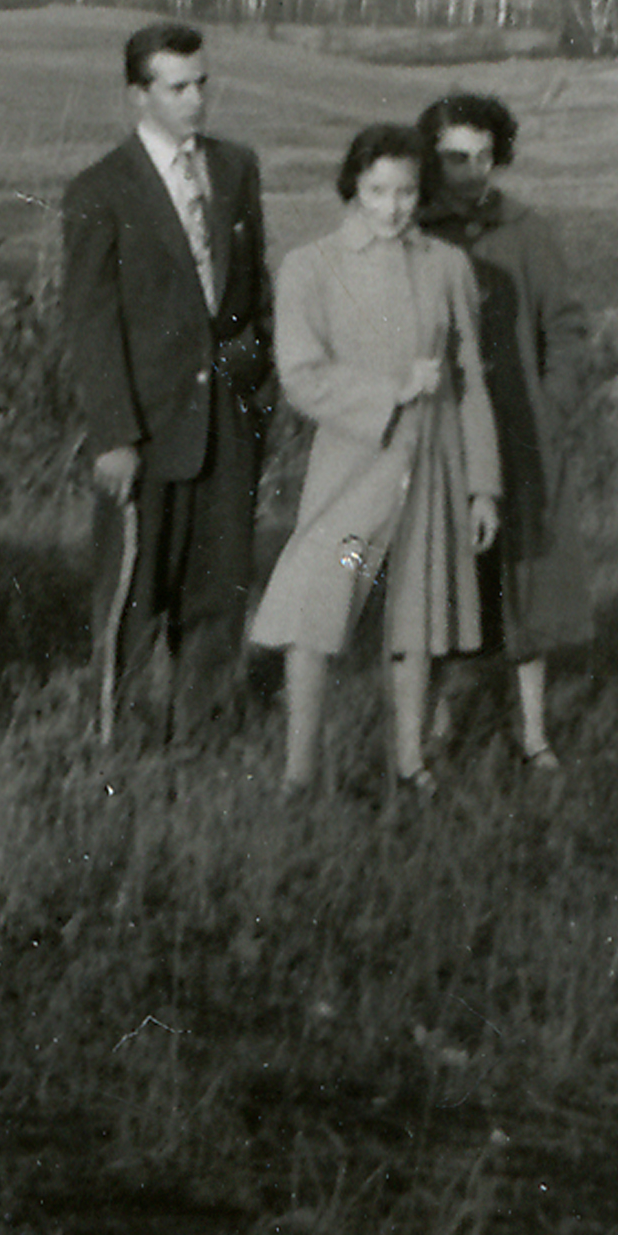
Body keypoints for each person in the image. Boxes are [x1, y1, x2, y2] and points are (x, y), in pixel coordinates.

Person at [248, 121, 500, 798]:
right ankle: (299, 772)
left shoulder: (446, 265)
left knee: (417, 615)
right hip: (355, 468)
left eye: (407, 192)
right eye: (377, 190)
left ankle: (409, 761)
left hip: (434, 465)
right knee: (319, 602)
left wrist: (482, 486)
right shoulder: (312, 265)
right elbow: (300, 373)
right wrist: (390, 393)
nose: (392, 207)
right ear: (352, 187)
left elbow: (469, 377)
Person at [60, 19, 272, 748]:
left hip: (228, 423)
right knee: (133, 591)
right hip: (145, 431)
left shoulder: (236, 168)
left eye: (201, 83)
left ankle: (203, 736)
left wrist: (256, 386)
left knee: (218, 588)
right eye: (176, 86)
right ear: (136, 96)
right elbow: (90, 322)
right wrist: (114, 434)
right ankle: (111, 742)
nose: (194, 99)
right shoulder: (100, 188)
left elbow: (252, 292)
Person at [419, 90, 594, 771]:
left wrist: (548, 408)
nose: (470, 172)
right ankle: (432, 726)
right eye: (454, 157)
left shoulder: (527, 230)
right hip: (439, 437)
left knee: (525, 584)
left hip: (518, 437)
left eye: (483, 157)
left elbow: (568, 328)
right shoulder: (415, 229)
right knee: (433, 581)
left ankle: (533, 732)